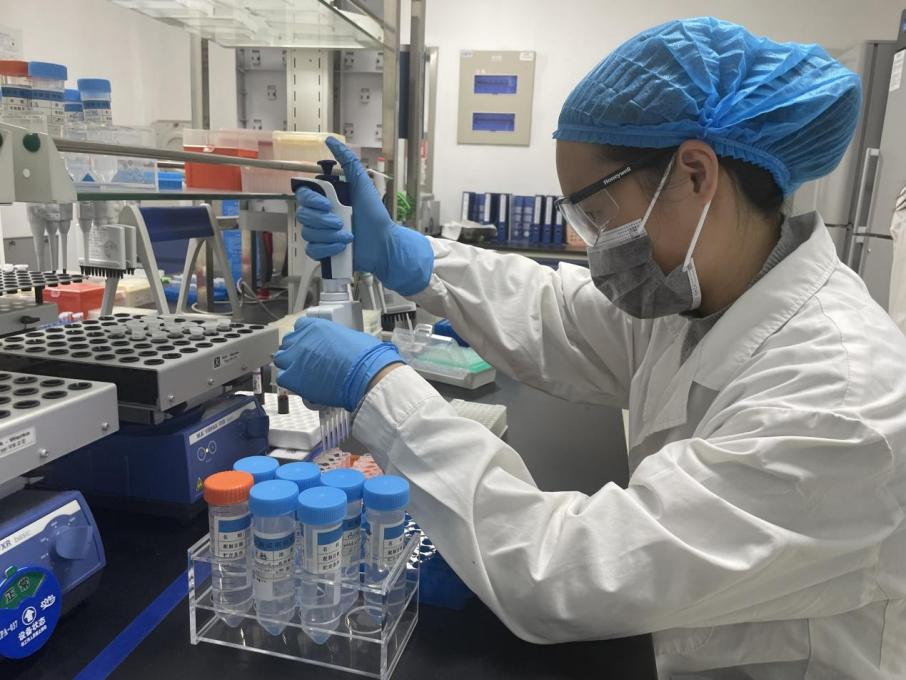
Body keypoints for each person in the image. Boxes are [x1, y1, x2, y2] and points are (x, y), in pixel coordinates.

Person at [276, 17, 906, 679]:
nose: (594, 244)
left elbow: (564, 571)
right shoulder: (704, 296)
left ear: (696, 174)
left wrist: (380, 388)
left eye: (597, 214)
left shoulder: (838, 399)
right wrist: (410, 258)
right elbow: (560, 316)